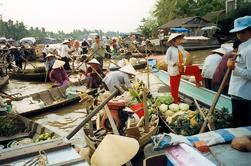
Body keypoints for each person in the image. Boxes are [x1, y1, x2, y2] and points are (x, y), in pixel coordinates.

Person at [227, 16, 251, 127]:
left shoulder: (250, 49)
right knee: (238, 125)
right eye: (237, 33)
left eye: (242, 32)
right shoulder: (242, 46)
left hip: (243, 95)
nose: (239, 35)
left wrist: (234, 68)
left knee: (242, 127)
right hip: (237, 93)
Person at [165, 33, 202, 103]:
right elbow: (166, 60)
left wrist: (183, 62)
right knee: (174, 87)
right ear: (174, 40)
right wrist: (175, 63)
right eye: (178, 39)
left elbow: (184, 56)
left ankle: (198, 82)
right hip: (174, 70)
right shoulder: (170, 49)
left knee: (196, 68)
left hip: (182, 68)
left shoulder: (181, 47)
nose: (180, 40)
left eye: (180, 38)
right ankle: (175, 100)